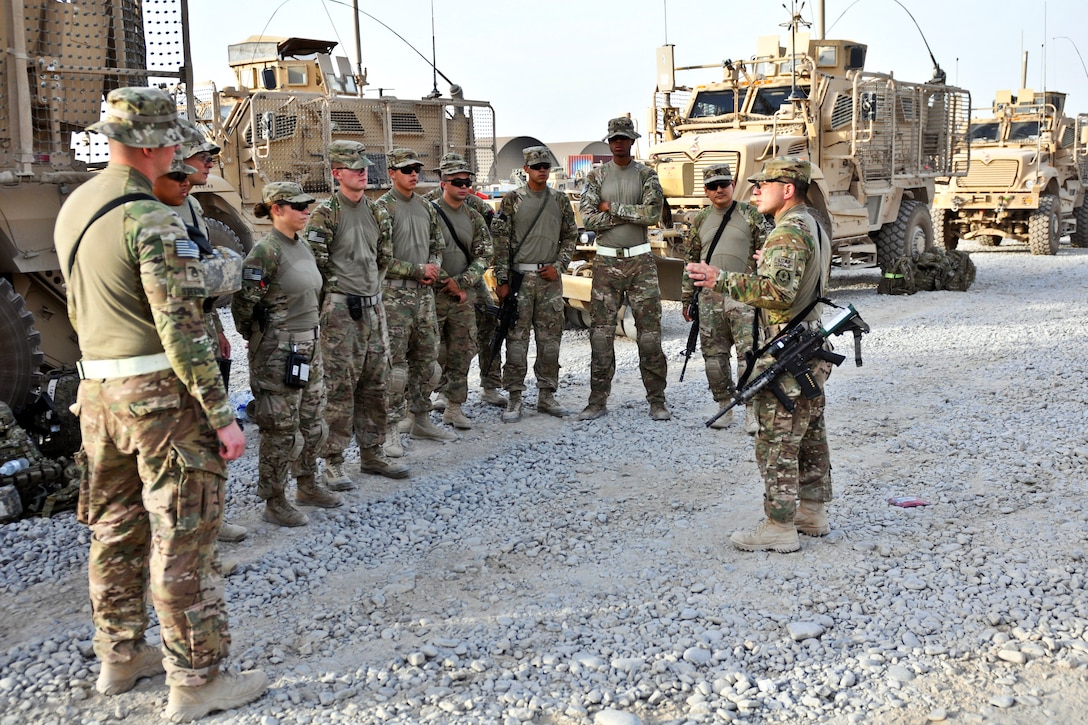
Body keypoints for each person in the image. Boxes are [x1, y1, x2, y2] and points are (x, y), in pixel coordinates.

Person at [53, 86, 266, 722]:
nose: (179, 148)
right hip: (160, 399)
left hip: (98, 394)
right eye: (173, 138)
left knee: (114, 530)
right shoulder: (150, 217)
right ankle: (196, 682)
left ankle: (119, 659)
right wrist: (221, 415)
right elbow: (181, 327)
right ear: (152, 144)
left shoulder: (77, 205)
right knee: (183, 539)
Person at [688, 157, 833, 554]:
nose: (754, 191)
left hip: (788, 349)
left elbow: (777, 294)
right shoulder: (813, 223)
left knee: (777, 440)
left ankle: (779, 525)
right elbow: (797, 280)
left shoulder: (788, 230)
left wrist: (722, 279)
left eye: (762, 184)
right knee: (809, 432)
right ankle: (812, 512)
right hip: (811, 343)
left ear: (787, 189)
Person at [232, 182, 343, 527]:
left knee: (312, 422)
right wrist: (263, 339)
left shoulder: (303, 246)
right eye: (298, 206)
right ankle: (275, 499)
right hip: (279, 352)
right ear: (276, 209)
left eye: (307, 205)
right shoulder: (266, 252)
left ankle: (307, 484)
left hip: (309, 348)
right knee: (281, 429)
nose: (305, 211)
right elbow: (244, 305)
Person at [304, 140, 408, 484]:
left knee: (376, 384)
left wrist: (372, 291)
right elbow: (315, 267)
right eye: (355, 168)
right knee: (339, 389)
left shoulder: (378, 211)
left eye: (364, 167)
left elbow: (384, 258)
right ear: (337, 173)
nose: (363, 173)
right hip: (340, 311)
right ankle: (333, 460)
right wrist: (336, 297)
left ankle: (373, 453)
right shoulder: (324, 214)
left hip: (374, 305)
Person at [163, 132, 250, 544]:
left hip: (202, 324)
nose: (211, 162)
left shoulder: (193, 205)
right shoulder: (158, 210)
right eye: (203, 156)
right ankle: (188, 534)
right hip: (176, 335)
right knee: (185, 438)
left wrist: (217, 329)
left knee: (208, 434)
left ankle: (210, 519)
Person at [576, 117, 670, 421]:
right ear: (609, 141)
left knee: (649, 335)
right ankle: (597, 401)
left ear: (632, 141)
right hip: (606, 263)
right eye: (614, 138)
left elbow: (652, 213)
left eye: (623, 138)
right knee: (601, 335)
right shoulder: (596, 176)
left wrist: (613, 208)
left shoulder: (646, 175)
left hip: (640, 262)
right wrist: (628, 216)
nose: (618, 142)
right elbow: (588, 219)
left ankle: (657, 401)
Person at [377, 148, 457, 457]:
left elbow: (436, 245)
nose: (413, 173)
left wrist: (432, 267)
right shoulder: (381, 209)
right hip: (394, 296)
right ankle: (390, 430)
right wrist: (417, 270)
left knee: (428, 362)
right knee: (395, 369)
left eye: (416, 168)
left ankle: (421, 418)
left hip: (424, 296)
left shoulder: (426, 207)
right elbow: (380, 258)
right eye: (406, 168)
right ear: (392, 173)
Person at [492, 146, 578, 422]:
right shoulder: (512, 200)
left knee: (550, 340)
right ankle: (514, 397)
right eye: (537, 166)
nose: (542, 170)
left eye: (545, 166)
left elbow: (570, 236)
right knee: (516, 340)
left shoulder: (560, 200)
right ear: (526, 169)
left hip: (549, 280)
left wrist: (560, 266)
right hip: (520, 280)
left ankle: (546, 395)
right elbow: (501, 244)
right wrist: (502, 280)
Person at [681, 163, 769, 431]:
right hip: (709, 298)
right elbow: (690, 260)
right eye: (712, 186)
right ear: (706, 191)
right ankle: (723, 405)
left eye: (724, 184)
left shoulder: (750, 214)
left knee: (749, 354)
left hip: (743, 295)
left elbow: (765, 252)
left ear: (732, 184)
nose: (719, 190)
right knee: (714, 357)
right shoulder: (699, 220)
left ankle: (751, 411)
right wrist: (687, 298)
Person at [422, 155, 505, 409]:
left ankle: (490, 383)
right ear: (443, 178)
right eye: (455, 178)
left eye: (466, 179)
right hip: (437, 281)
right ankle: (442, 390)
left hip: (470, 277)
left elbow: (491, 245)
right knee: (437, 337)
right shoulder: (427, 206)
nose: (462, 184)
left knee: (488, 324)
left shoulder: (477, 208)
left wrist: (478, 277)